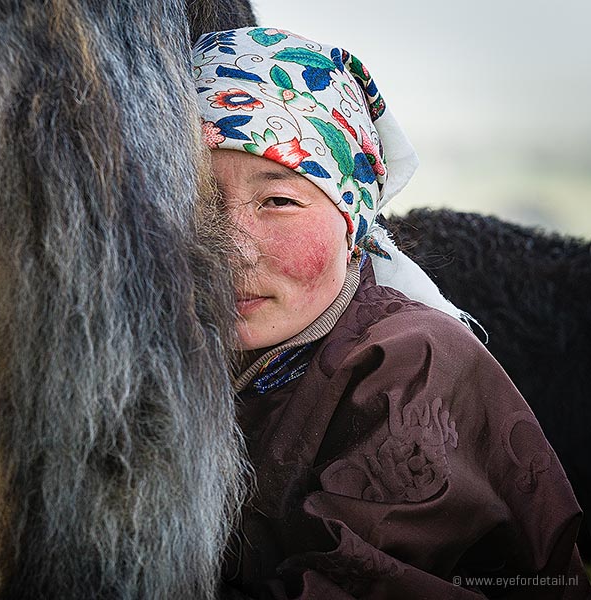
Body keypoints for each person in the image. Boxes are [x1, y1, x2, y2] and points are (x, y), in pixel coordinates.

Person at [193, 27, 589, 599]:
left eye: (278, 200)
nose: (232, 249)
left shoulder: (411, 369)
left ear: (352, 222)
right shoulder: (176, 351)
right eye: (200, 200)